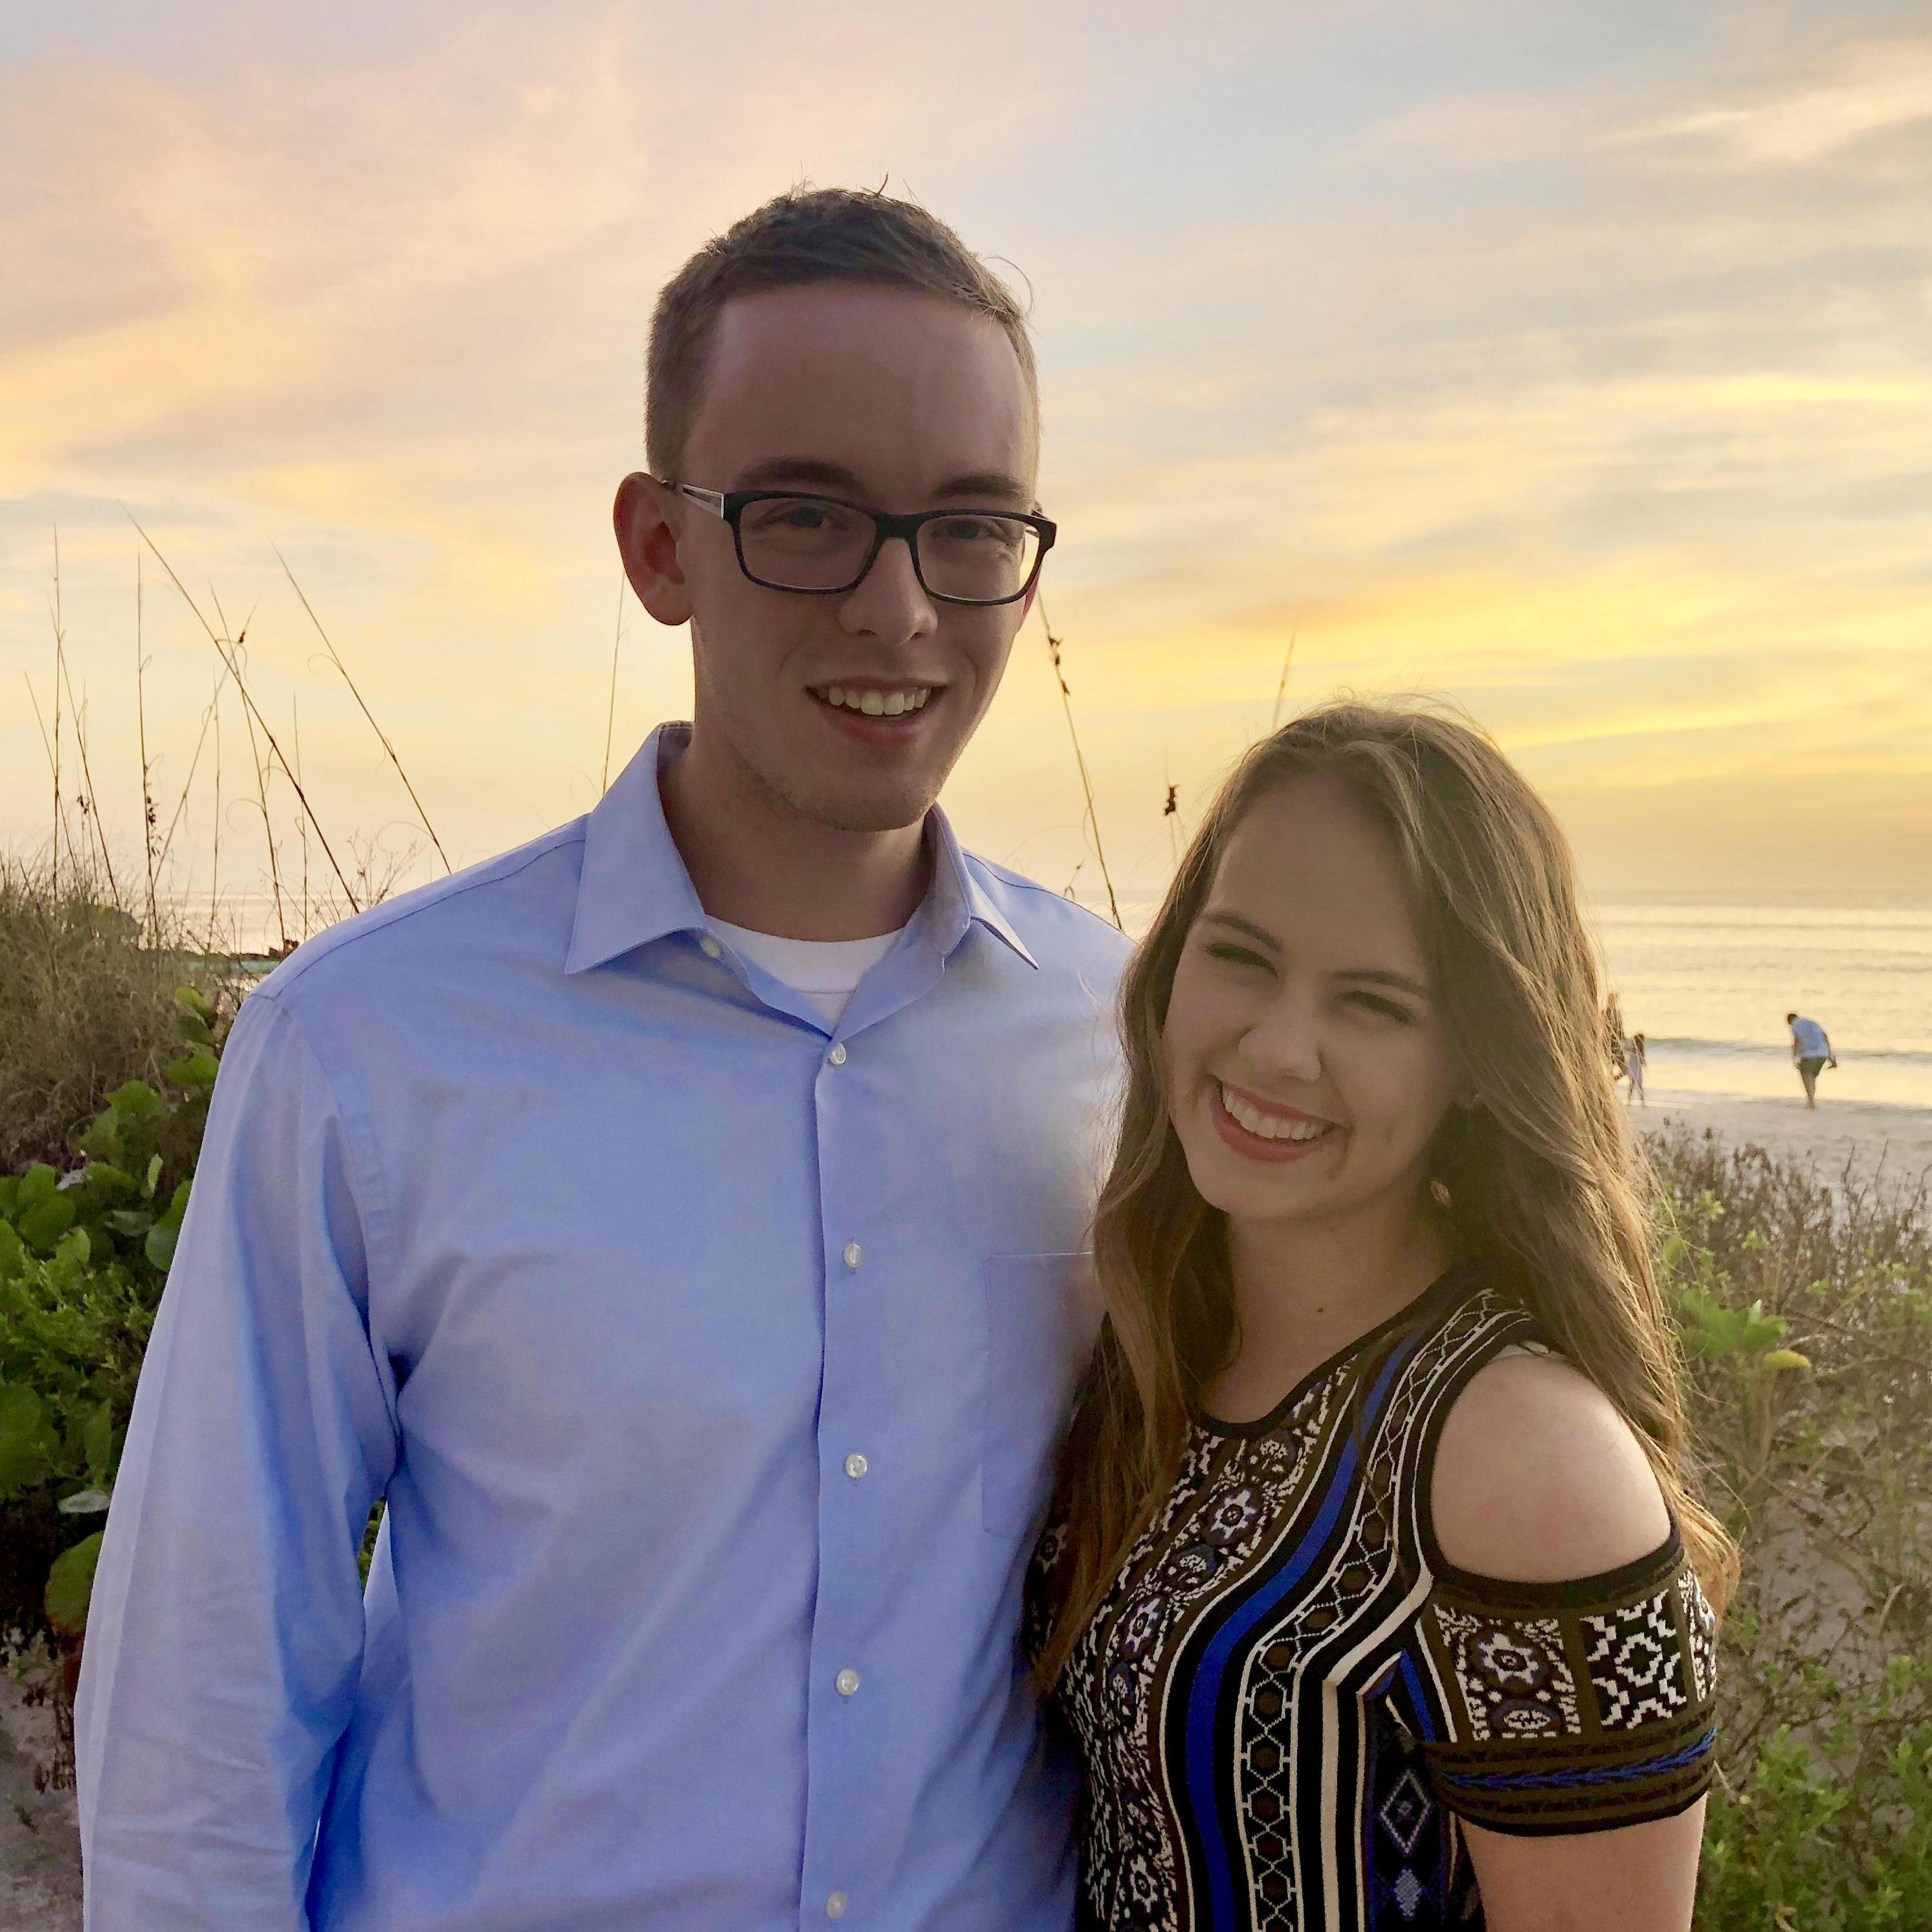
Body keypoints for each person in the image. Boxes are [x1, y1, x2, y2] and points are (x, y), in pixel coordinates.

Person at [78, 189, 1131, 1931]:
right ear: (658, 547)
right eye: (808, 515)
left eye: (966, 529)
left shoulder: (1118, 1035)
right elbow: (209, 1675)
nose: (900, 610)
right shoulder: (364, 1047)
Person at [1028, 704, 1733, 1931]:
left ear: (1475, 1058)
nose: (1280, 1047)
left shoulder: (1520, 1457)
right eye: (1242, 956)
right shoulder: (1154, 1336)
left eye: (1373, 1003)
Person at [1788, 1011, 1836, 1109]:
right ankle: (1811, 1101)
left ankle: (1811, 1102)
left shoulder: (1796, 1025)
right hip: (1823, 1053)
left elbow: (1798, 1040)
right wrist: (1831, 1057)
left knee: (1806, 1076)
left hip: (1809, 1054)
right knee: (1812, 1077)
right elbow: (1825, 1037)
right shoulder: (1813, 1023)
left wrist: (1796, 1056)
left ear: (1790, 1021)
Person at [1623, 1028, 1647, 1105]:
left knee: (1632, 1085)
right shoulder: (1639, 1049)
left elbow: (1626, 1050)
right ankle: (1642, 1101)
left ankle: (1630, 1101)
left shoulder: (1633, 1048)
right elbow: (1642, 1059)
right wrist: (1645, 1065)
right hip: (1637, 1068)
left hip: (1633, 1067)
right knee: (1639, 1085)